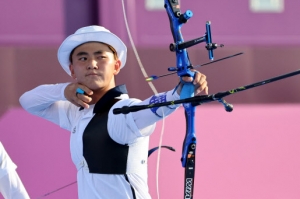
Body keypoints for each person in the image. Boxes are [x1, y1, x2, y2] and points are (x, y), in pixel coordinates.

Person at [19, 25, 208, 199]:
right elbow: (28, 101)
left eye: (101, 57)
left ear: (116, 66)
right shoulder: (77, 112)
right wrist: (63, 90)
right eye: (83, 58)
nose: (92, 64)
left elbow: (152, 107)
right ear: (72, 70)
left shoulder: (122, 112)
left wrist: (178, 93)